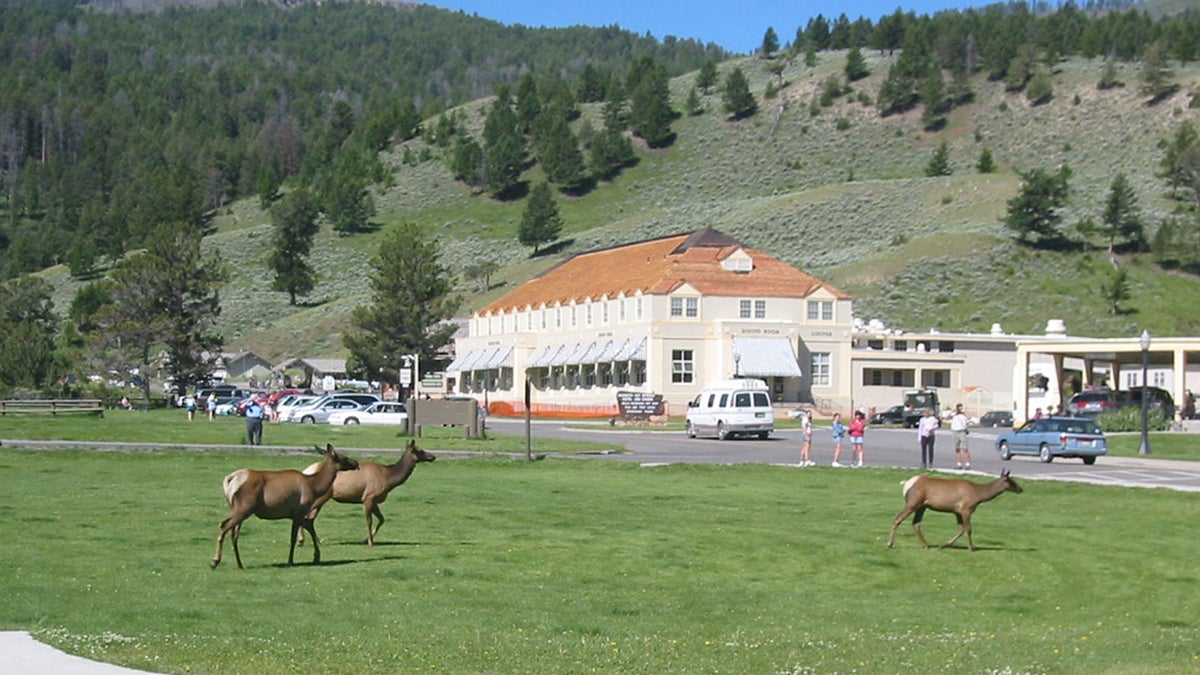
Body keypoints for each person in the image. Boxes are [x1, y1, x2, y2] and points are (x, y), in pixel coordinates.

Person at [950, 403, 971, 469]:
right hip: (955, 431)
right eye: (959, 408)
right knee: (957, 448)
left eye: (961, 408)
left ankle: (967, 464)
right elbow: (946, 417)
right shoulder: (954, 415)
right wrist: (953, 411)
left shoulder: (964, 415)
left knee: (965, 448)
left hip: (962, 432)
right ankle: (959, 464)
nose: (960, 409)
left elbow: (968, 419)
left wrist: (964, 412)